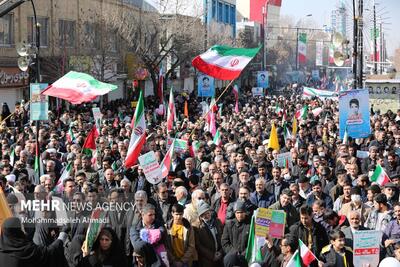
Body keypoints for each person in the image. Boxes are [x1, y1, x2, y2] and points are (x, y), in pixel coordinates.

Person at [0, 217, 67, 267]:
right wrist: (62, 236)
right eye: (21, 227)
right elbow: (49, 253)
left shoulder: (2, 250)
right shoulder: (26, 251)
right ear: (17, 231)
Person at [193, 201, 224, 267]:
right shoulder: (196, 227)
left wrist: (220, 252)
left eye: (208, 213)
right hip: (206, 261)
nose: (206, 215)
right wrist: (212, 256)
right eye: (203, 214)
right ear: (200, 216)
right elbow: (198, 245)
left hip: (220, 257)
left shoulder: (217, 222)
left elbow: (224, 238)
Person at [222, 200, 251, 267]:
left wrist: (244, 254)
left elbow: (252, 242)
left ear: (245, 212)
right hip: (232, 259)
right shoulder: (229, 225)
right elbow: (225, 242)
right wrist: (234, 253)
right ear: (234, 213)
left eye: (241, 212)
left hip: (246, 259)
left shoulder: (250, 225)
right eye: (237, 213)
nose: (239, 215)